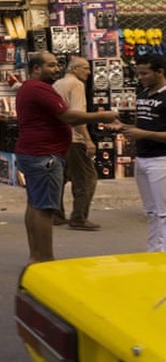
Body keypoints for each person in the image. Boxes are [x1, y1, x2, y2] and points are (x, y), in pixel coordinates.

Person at [15, 51, 120, 264]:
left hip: (36, 152)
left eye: (56, 65)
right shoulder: (41, 88)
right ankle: (44, 259)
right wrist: (101, 116)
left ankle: (36, 256)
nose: (56, 69)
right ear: (37, 68)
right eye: (51, 66)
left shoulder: (34, 87)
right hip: (44, 154)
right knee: (44, 208)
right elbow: (69, 116)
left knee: (35, 204)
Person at [120, 53, 166, 252]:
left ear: (160, 72)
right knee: (150, 211)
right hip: (142, 157)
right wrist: (123, 127)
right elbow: (141, 124)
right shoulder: (142, 94)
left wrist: (143, 133)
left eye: (144, 74)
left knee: (163, 212)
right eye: (138, 74)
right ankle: (152, 250)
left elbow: (146, 130)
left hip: (161, 159)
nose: (140, 78)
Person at [51, 56, 99, 230]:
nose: (89, 72)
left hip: (59, 138)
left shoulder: (58, 84)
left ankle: (56, 214)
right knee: (86, 178)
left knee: (60, 177)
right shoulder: (77, 85)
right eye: (85, 68)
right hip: (74, 138)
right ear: (75, 69)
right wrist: (87, 140)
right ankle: (78, 217)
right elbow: (78, 117)